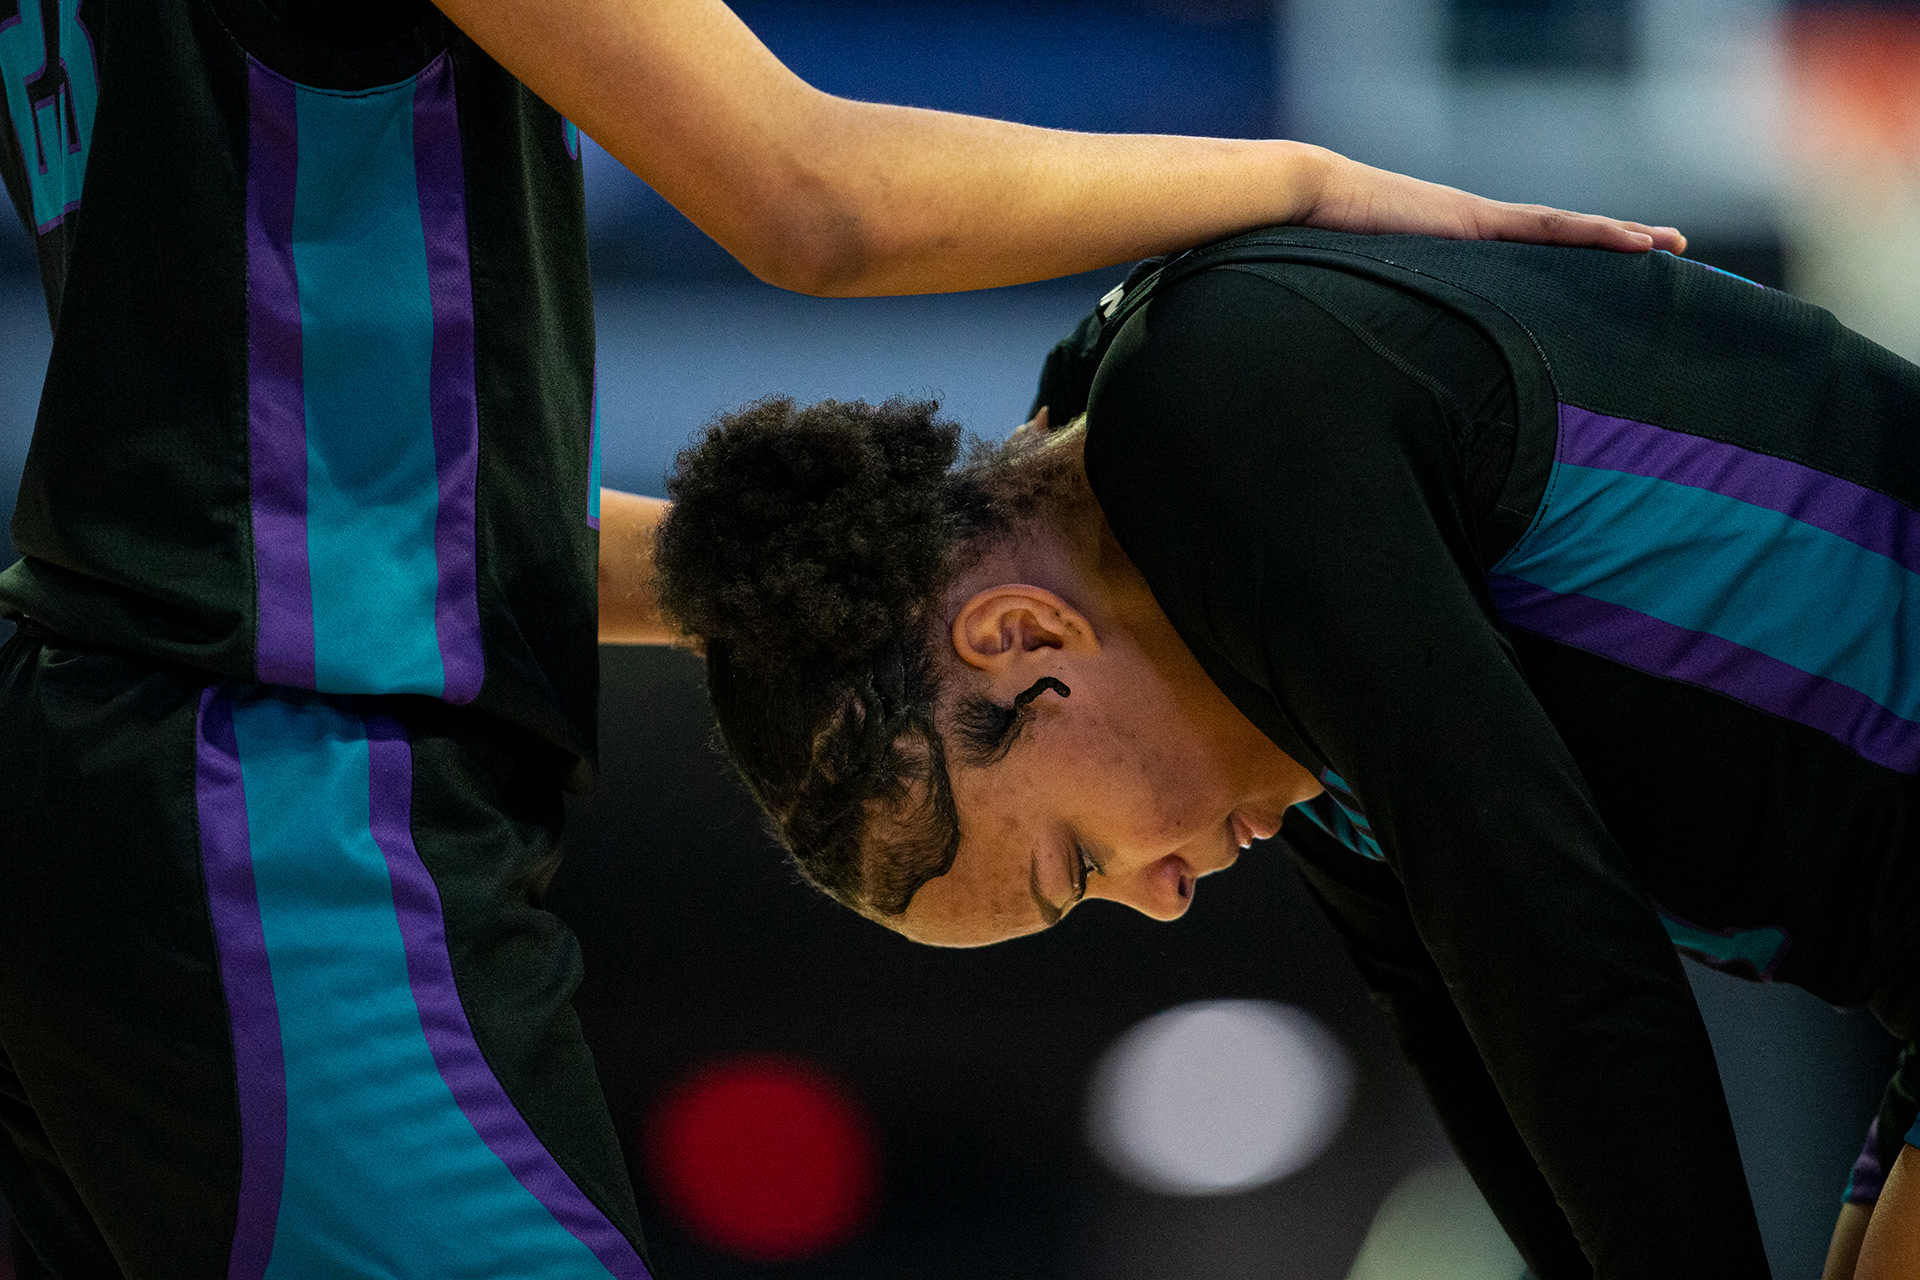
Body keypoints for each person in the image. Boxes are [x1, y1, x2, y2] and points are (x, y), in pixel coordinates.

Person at [0, 1, 1681, 1275]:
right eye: (1088, 865)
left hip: (104, 775)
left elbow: (309, 494)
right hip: (274, 811)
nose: (1176, 881)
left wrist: (838, 592)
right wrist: (1314, 184)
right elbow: (812, 200)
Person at [648, 227, 1920, 1280]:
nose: (1164, 894)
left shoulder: (1216, 410)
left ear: (1024, 632)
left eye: (1079, 857)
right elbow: (1468, 1030)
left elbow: (1545, 934)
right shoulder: (1261, 667)